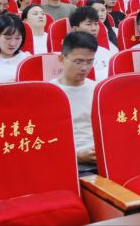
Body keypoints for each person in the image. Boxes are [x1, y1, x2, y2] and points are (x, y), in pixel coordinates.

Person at [51, 31, 98, 174]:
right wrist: (76, 155)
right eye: (78, 62)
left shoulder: (98, 89)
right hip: (69, 161)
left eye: (89, 62)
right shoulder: (50, 93)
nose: (84, 68)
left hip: (101, 155)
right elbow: (46, 141)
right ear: (61, 59)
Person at [69, 6, 111, 80]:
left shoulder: (106, 53)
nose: (94, 28)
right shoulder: (68, 55)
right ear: (75, 29)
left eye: (96, 24)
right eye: (88, 24)